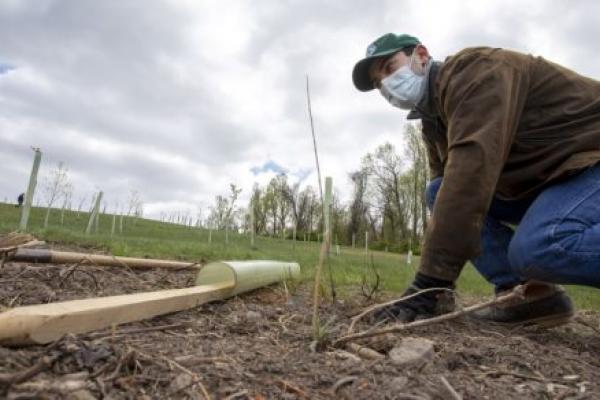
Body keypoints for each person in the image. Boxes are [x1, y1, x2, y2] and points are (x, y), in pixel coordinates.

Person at [352, 33, 600, 326]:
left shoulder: (476, 73)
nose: (386, 85)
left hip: (590, 159)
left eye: (390, 67)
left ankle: (528, 283)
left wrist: (428, 283)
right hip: (558, 176)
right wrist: (438, 287)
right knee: (437, 191)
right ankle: (530, 295)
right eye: (379, 83)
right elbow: (449, 197)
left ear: (421, 55)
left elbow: (469, 174)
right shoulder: (434, 122)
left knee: (541, 246)